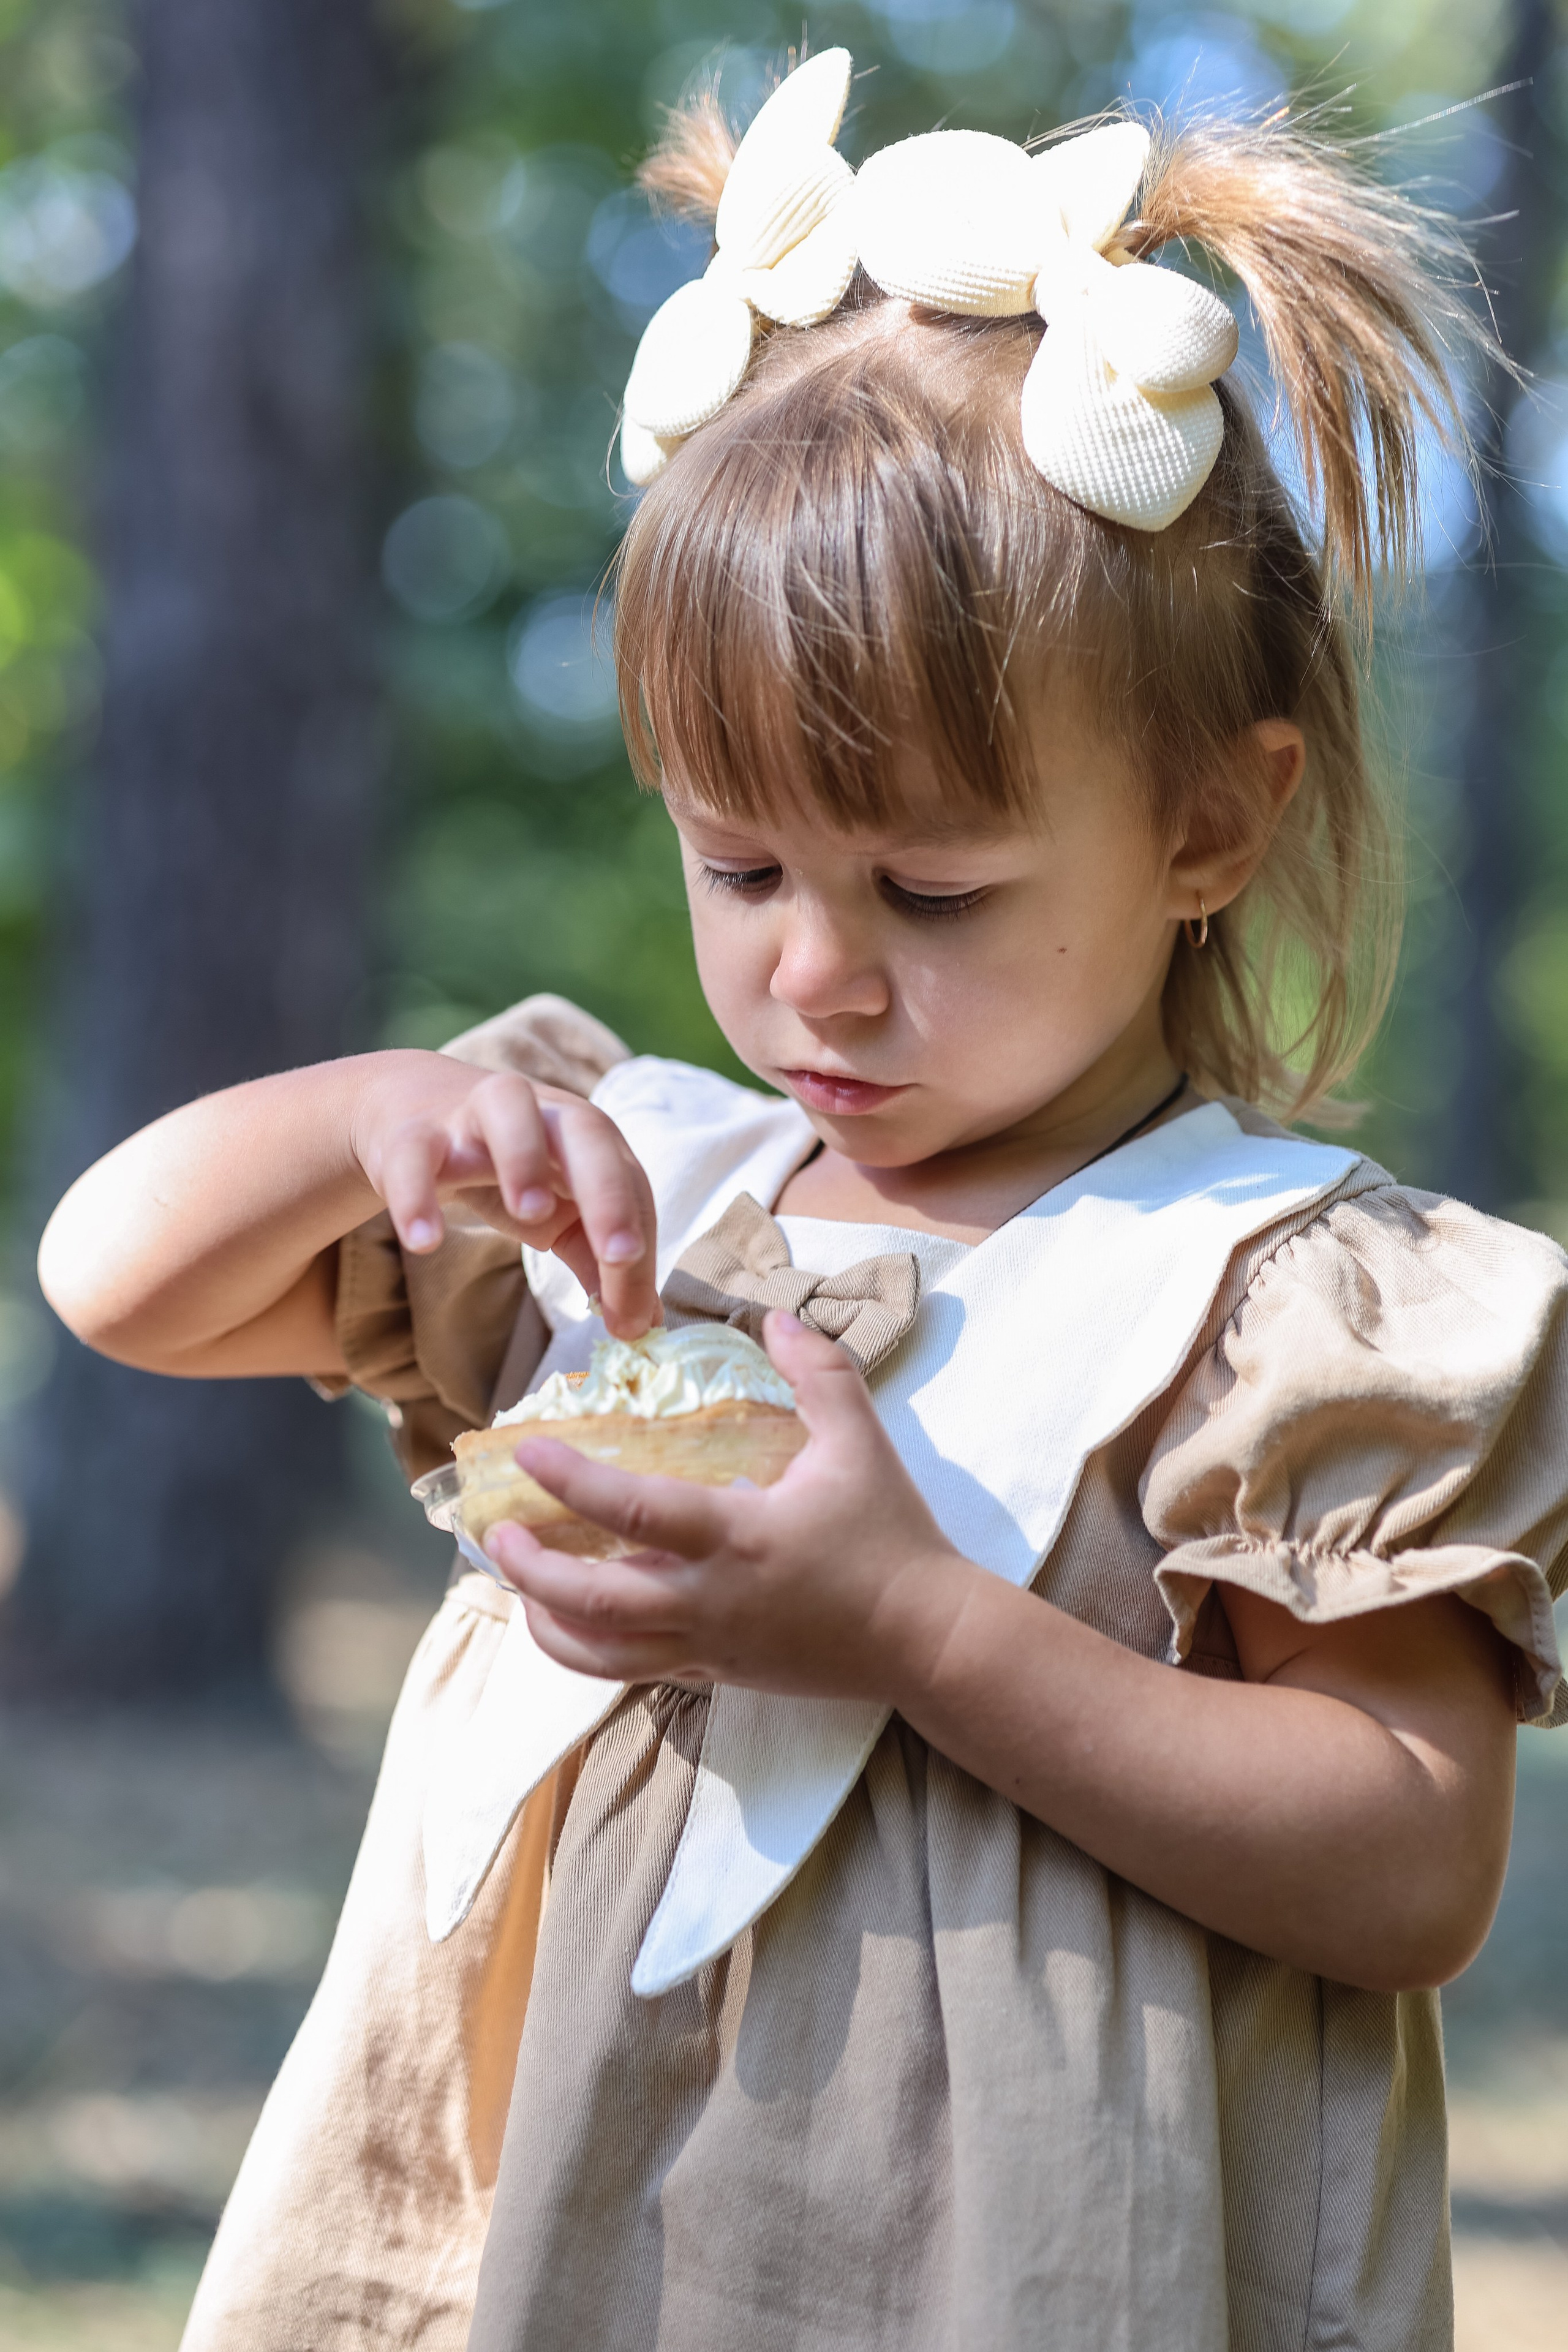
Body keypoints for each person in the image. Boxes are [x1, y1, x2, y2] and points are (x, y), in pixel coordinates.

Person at [37, 50, 1568, 2352]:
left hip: (1031, 2273)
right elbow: (115, 1282)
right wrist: (364, 1112)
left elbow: (1410, 1860)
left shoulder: (1271, 1298)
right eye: (739, 862)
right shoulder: (625, 1189)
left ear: (1207, 831)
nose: (815, 971)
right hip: (568, 2244)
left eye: (934, 890)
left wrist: (914, 1627)